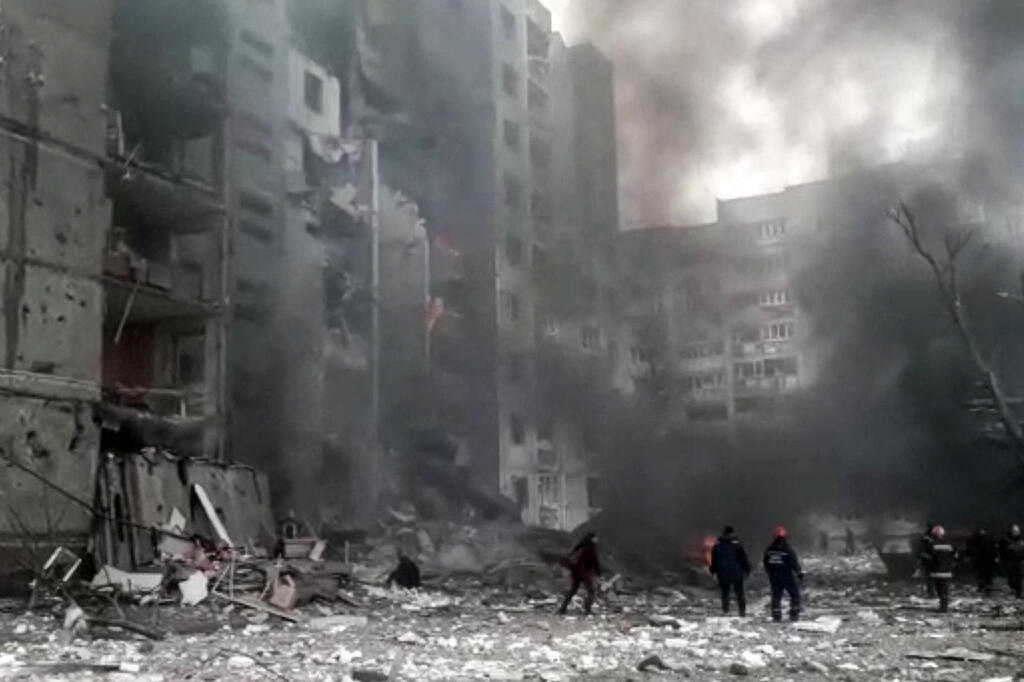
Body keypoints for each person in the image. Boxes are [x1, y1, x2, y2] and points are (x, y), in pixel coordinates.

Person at [764, 526, 803, 622]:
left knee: (776, 596)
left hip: (775, 577)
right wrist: (799, 572)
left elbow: (766, 562)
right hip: (787, 576)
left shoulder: (769, 549)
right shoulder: (787, 549)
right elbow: (793, 562)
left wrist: (770, 573)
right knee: (794, 594)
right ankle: (794, 614)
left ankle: (776, 615)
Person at [710, 526, 751, 616]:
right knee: (739, 593)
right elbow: (743, 559)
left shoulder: (717, 546)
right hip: (737, 573)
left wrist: (713, 571)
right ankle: (742, 611)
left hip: (723, 573)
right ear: (732, 533)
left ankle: (726, 610)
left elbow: (714, 561)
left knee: (725, 593)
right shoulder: (738, 546)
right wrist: (747, 570)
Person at [557, 531, 601, 615]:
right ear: (592, 538)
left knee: (572, 590)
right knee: (591, 591)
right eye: (596, 538)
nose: (597, 540)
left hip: (576, 572)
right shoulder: (591, 547)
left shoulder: (579, 546)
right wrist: (598, 572)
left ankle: (562, 609)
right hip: (584, 573)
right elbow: (594, 561)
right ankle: (587, 610)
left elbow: (572, 557)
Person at [922, 525, 956, 613]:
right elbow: (955, 556)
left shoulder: (931, 544)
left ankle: (942, 607)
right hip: (947, 572)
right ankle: (944, 606)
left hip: (936, 572)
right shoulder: (949, 544)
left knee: (940, 590)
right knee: (945, 590)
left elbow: (926, 557)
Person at [966, 527, 997, 595]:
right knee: (985, 575)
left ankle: (984, 588)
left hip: (982, 560)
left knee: (982, 574)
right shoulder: (988, 539)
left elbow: (970, 548)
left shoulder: (975, 540)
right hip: (985, 560)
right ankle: (986, 588)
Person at [1001, 523, 1024, 598]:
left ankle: (1019, 592)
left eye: (1017, 531)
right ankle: (1013, 589)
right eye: (1014, 530)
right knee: (1011, 577)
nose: (1016, 532)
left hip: (1019, 561)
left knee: (1019, 577)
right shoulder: (1006, 540)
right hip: (1010, 561)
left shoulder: (1021, 540)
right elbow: (1003, 551)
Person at [916, 521, 936, 598]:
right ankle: (933, 593)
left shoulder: (924, 538)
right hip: (935, 561)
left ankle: (931, 593)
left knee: (929, 578)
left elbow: (920, 549)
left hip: (927, 560)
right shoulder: (937, 538)